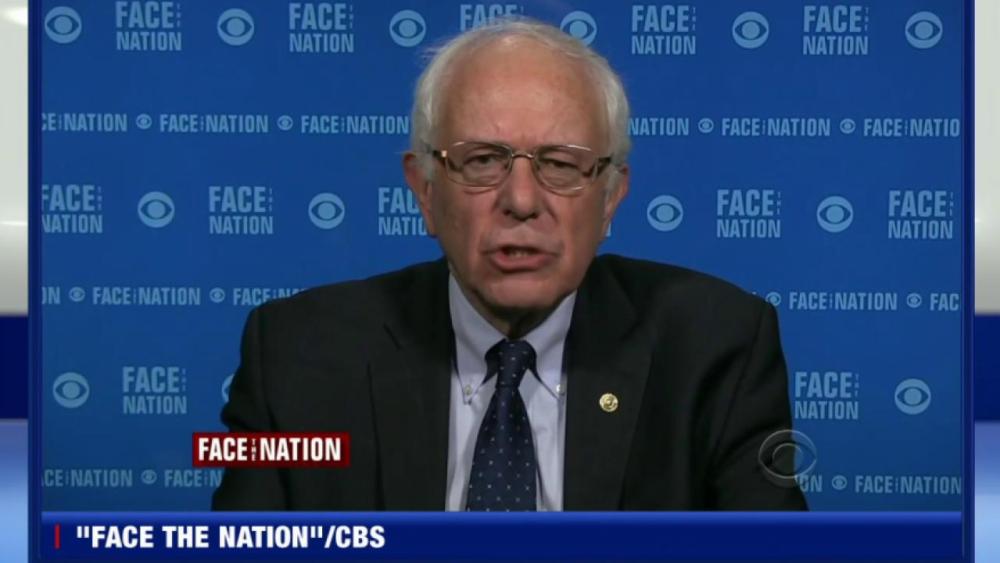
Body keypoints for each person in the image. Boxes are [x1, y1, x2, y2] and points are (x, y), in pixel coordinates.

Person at [212, 19, 807, 511]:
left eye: (562, 164)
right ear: (424, 190)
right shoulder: (296, 356)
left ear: (610, 198)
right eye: (481, 161)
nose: (521, 200)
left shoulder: (716, 351)